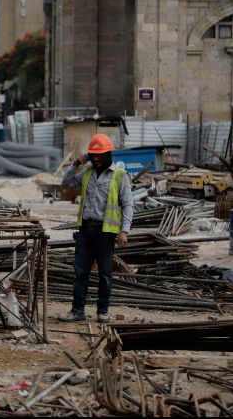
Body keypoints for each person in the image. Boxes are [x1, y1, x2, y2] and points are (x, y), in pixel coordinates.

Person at [58, 133, 133, 324]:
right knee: (81, 272)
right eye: (94, 155)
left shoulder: (120, 176)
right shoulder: (87, 172)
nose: (97, 158)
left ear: (108, 154)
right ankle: (77, 310)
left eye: (100, 155)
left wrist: (124, 231)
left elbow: (128, 204)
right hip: (85, 230)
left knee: (105, 274)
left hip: (105, 232)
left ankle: (102, 311)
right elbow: (65, 183)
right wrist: (76, 164)